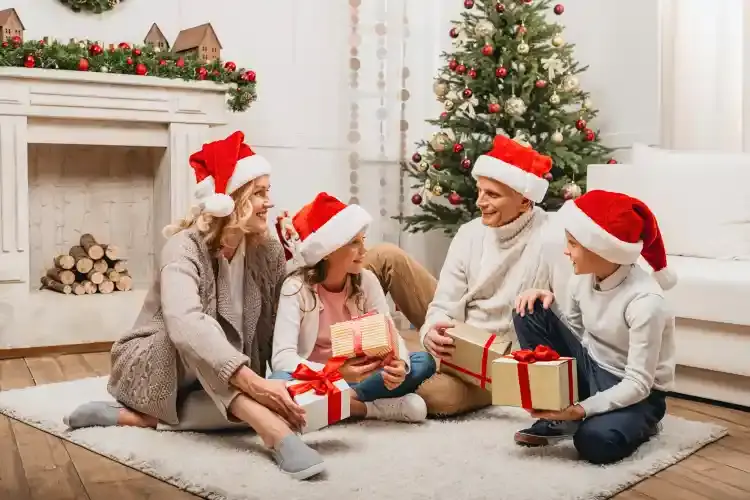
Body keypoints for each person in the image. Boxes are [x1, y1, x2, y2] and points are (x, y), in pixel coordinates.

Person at [63, 131, 325, 481]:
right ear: (233, 199)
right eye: (260, 193)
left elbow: (284, 313)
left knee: (251, 396)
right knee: (200, 330)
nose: (269, 202)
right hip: (160, 361)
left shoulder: (268, 250)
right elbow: (185, 325)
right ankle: (273, 432)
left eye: (268, 192)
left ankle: (138, 418)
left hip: (219, 378)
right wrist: (254, 384)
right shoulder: (183, 248)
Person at [361, 134, 572, 416]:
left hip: (499, 360)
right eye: (480, 190)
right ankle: (348, 354)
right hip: (456, 336)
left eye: (493, 195)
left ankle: (385, 379)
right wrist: (432, 330)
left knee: (434, 397)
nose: (480, 202)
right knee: (383, 255)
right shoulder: (470, 233)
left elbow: (568, 317)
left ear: (525, 201)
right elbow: (443, 304)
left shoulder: (552, 236)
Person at [512, 189, 677, 464]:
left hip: (638, 393)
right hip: (593, 368)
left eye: (573, 244)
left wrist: (581, 410)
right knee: (529, 310)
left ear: (603, 249)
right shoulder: (584, 279)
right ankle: (561, 410)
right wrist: (548, 303)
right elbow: (578, 334)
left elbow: (638, 384)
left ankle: (642, 424)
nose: (566, 251)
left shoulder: (646, 302)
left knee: (595, 442)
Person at [271, 193, 436, 422]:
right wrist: (333, 372)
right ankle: (370, 409)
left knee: (422, 362)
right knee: (276, 380)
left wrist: (400, 364)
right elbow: (282, 357)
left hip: (361, 377)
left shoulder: (366, 280)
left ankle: (333, 404)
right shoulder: (295, 288)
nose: (364, 251)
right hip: (318, 377)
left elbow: (389, 330)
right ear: (328, 250)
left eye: (363, 240)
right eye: (354, 243)